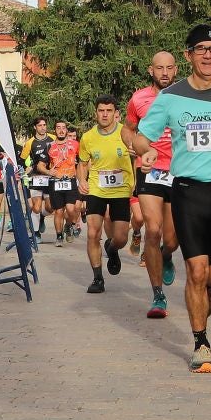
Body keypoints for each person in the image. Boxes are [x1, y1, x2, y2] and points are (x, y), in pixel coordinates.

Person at [124, 23, 211, 374]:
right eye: (201, 49)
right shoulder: (170, 98)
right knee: (196, 271)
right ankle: (201, 342)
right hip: (188, 192)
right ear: (189, 55)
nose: (208, 55)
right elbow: (139, 136)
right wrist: (145, 150)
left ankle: (205, 298)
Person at [129, 51, 181, 310]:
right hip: (150, 169)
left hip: (179, 169)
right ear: (151, 70)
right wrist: (135, 147)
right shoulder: (139, 98)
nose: (164, 73)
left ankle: (167, 255)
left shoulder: (185, 95)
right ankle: (158, 294)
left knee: (172, 238)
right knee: (153, 229)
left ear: (176, 69)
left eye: (169, 68)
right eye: (159, 68)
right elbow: (128, 128)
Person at [79, 95, 137, 294]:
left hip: (121, 190)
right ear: (96, 113)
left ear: (116, 113)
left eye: (108, 110)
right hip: (97, 189)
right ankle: (97, 278)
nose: (104, 114)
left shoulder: (125, 132)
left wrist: (136, 181)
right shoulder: (87, 137)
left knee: (121, 238)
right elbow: (82, 162)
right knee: (92, 233)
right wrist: (82, 180)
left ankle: (112, 248)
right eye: (101, 110)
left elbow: (137, 157)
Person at [46, 120, 81, 245]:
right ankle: (59, 236)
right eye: (58, 127)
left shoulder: (75, 144)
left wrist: (81, 173)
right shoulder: (49, 146)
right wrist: (48, 171)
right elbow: (41, 164)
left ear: (66, 130)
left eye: (63, 128)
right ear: (54, 130)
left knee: (72, 209)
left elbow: (83, 161)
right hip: (55, 181)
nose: (61, 130)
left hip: (70, 180)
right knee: (59, 211)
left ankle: (69, 225)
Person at [22, 119, 52, 237]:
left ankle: (42, 217)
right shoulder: (30, 142)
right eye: (40, 125)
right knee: (37, 206)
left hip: (50, 176)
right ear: (35, 127)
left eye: (44, 125)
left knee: (50, 207)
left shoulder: (52, 138)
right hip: (36, 177)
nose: (43, 127)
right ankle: (35, 234)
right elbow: (22, 159)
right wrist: (27, 167)